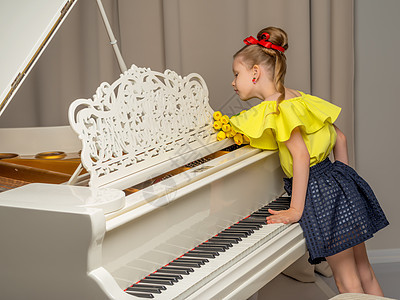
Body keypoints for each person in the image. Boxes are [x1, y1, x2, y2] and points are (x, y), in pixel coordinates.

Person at [229, 26, 389, 296]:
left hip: (319, 195)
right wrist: (344, 181)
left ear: (255, 72)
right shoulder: (299, 98)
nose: (233, 82)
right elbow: (341, 138)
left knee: (346, 283)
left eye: (236, 74)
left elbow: (301, 157)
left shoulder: (277, 109)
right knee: (364, 272)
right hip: (340, 183)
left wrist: (295, 210)